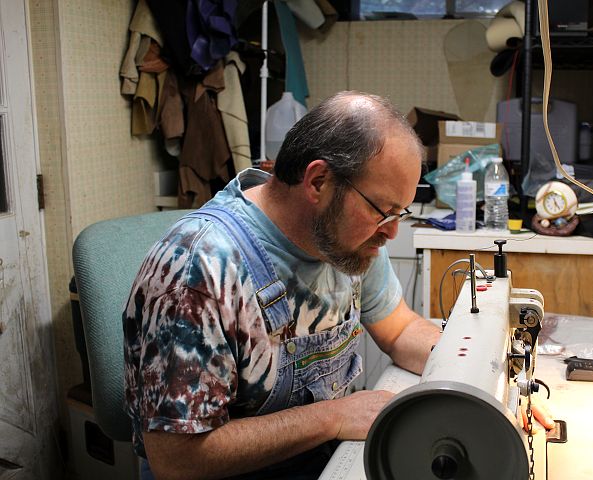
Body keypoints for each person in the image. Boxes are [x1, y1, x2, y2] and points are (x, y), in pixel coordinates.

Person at [123, 91, 443, 479]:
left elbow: (401, 328)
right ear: (318, 181)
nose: (391, 231)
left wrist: (469, 374)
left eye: (400, 213)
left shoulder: (350, 241)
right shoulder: (200, 272)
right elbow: (177, 459)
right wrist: (334, 417)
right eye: (383, 211)